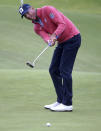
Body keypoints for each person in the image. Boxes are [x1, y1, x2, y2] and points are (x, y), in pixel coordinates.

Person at [19, 4, 81, 112]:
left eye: (28, 12)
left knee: (64, 71)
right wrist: (50, 41)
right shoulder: (36, 28)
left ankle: (67, 104)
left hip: (72, 38)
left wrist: (54, 35)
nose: (28, 16)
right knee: (53, 70)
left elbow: (62, 24)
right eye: (25, 16)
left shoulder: (47, 10)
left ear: (32, 8)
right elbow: (47, 38)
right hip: (62, 42)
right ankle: (60, 100)